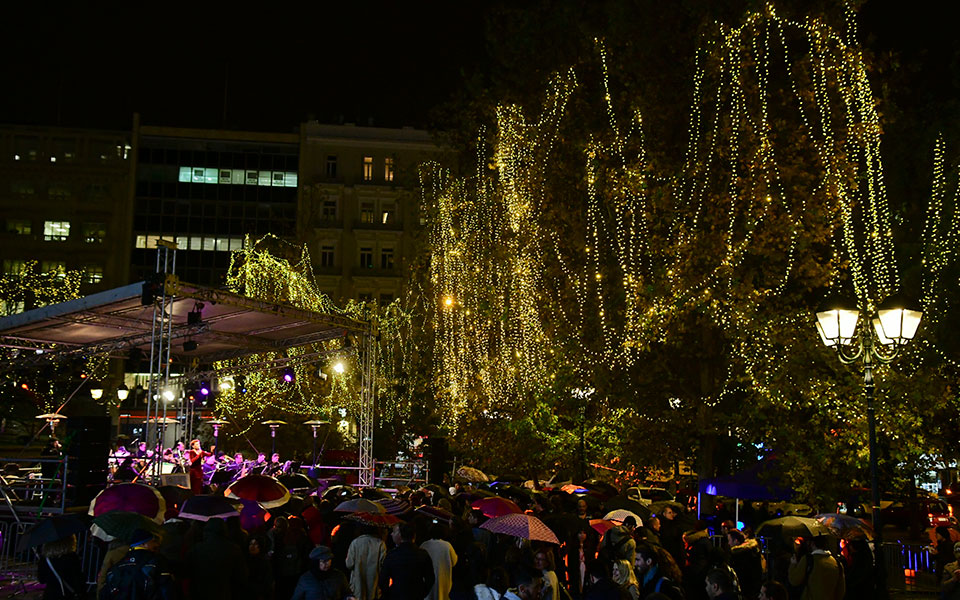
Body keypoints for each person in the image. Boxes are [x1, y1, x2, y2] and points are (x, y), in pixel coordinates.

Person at [99, 528, 175, 600]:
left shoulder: (118, 564)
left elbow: (105, 591)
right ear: (144, 543)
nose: (157, 544)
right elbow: (167, 591)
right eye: (153, 541)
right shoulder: (157, 561)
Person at [185, 518, 247, 600]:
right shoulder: (234, 549)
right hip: (225, 592)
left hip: (201, 592)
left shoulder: (197, 549)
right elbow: (241, 575)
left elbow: (187, 571)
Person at [379, 522, 435, 600]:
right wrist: (422, 593)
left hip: (396, 595)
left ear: (400, 535)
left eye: (394, 532)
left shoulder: (392, 555)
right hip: (416, 595)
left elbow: (383, 579)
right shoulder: (423, 554)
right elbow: (430, 578)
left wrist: (389, 593)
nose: (391, 534)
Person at [787, 535, 845, 600]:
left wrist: (793, 564)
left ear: (812, 543)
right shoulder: (837, 563)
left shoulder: (808, 559)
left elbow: (794, 580)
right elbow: (841, 592)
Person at [292, 545, 356, 600]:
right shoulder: (305, 579)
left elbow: (346, 593)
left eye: (329, 560)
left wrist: (349, 597)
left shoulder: (339, 576)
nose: (327, 564)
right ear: (316, 562)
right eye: (323, 561)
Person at [345, 526, 387, 600]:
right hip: (374, 585)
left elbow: (349, 564)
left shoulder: (355, 542)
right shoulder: (381, 544)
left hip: (358, 584)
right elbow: (383, 566)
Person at [37, 534, 83, 600]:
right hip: (68, 594)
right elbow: (77, 579)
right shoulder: (71, 557)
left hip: (50, 594)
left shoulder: (45, 559)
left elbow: (42, 579)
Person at [421, 524, 458, 600]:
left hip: (427, 580)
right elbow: (454, 561)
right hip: (443, 579)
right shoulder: (447, 545)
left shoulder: (424, 545)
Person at [726, 529, 761, 599]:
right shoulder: (752, 550)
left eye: (729, 540)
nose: (728, 543)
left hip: (745, 590)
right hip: (754, 588)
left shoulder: (738, 555)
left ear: (736, 541)